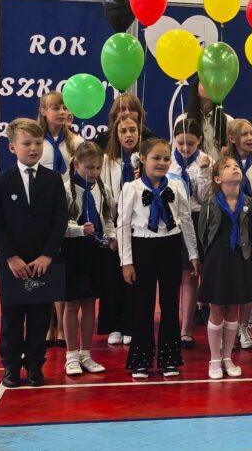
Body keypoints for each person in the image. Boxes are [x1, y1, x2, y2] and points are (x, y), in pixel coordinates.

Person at [0, 118, 68, 387]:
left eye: (38, 143)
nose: (33, 148)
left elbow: (60, 219)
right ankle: (11, 367)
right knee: (11, 317)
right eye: (27, 143)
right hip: (13, 264)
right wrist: (11, 257)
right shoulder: (2, 181)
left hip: (43, 263)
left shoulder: (53, 180)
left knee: (39, 317)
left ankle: (34, 365)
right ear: (12, 147)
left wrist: (47, 255)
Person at [117, 138, 200, 379]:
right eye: (156, 158)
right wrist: (126, 261)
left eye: (166, 158)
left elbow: (186, 220)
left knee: (170, 304)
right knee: (142, 305)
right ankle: (140, 360)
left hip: (170, 246)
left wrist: (193, 252)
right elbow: (123, 226)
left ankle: (169, 358)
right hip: (142, 247)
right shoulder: (131, 188)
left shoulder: (176, 186)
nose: (162, 163)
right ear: (143, 159)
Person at [197, 157, 252, 379]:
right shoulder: (210, 203)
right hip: (217, 259)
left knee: (234, 309)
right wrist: (205, 260)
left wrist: (246, 252)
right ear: (217, 179)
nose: (234, 168)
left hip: (239, 258)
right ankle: (214, 358)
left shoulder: (250, 203)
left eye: (236, 165)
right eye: (227, 166)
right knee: (216, 309)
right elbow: (203, 234)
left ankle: (227, 357)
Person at [62, 141, 113, 376]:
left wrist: (111, 236)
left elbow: (108, 219)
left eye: (98, 168)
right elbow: (60, 224)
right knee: (72, 304)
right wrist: (79, 230)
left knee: (90, 303)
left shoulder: (103, 189)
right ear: (76, 163)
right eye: (89, 167)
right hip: (73, 251)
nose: (93, 172)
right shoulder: (65, 189)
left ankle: (85, 353)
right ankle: (71, 355)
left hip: (96, 252)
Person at [37, 92, 84, 348]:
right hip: (42, 209)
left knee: (63, 267)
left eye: (65, 107)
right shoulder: (36, 141)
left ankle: (63, 325)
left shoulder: (76, 141)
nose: (62, 112)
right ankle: (47, 323)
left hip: (67, 208)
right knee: (46, 266)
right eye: (56, 108)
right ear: (43, 111)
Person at [223, 119, 252, 347]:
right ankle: (227, 327)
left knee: (249, 279)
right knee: (230, 279)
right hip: (231, 228)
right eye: (244, 134)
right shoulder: (223, 165)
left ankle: (244, 327)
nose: (250, 138)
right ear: (232, 138)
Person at [170, 119, 214, 349]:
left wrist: (205, 172)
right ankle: (170, 324)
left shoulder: (206, 161)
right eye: (180, 143)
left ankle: (186, 329)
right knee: (171, 276)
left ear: (200, 141)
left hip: (197, 219)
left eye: (191, 143)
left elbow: (204, 197)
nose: (185, 148)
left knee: (190, 275)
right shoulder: (167, 161)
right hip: (171, 220)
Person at [99, 115, 140, 345]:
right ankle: (113, 325)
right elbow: (104, 198)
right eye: (123, 131)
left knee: (133, 277)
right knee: (111, 278)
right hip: (114, 223)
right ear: (116, 134)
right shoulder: (107, 161)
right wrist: (111, 232)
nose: (129, 135)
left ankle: (131, 324)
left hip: (138, 224)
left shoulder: (143, 159)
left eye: (133, 130)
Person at [185, 74, 234, 158]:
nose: (209, 86)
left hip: (220, 166)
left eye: (213, 84)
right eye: (205, 83)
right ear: (196, 88)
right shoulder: (183, 120)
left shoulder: (228, 121)